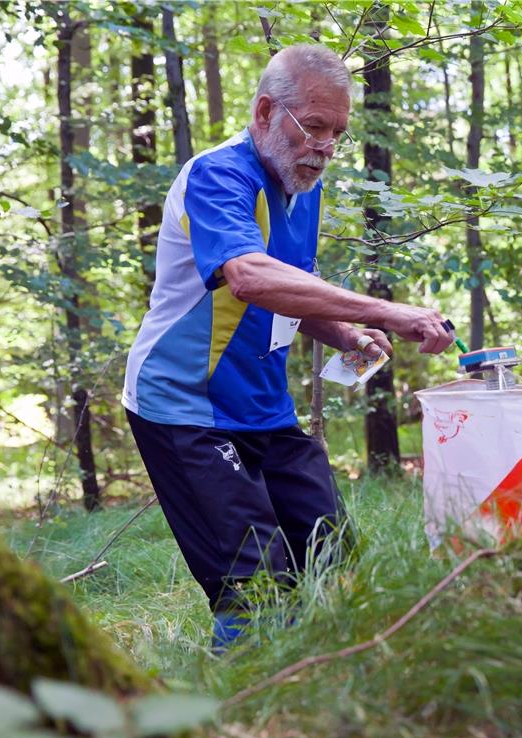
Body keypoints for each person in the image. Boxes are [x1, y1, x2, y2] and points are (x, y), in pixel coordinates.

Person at [121, 44, 453, 649]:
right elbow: (248, 276)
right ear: (266, 112)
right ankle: (238, 725)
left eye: (337, 133)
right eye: (315, 127)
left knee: (334, 558)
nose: (325, 147)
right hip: (184, 408)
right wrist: (385, 309)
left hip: (264, 409)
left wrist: (347, 333)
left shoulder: (303, 187)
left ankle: (325, 692)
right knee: (257, 588)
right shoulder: (219, 175)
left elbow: (290, 295)